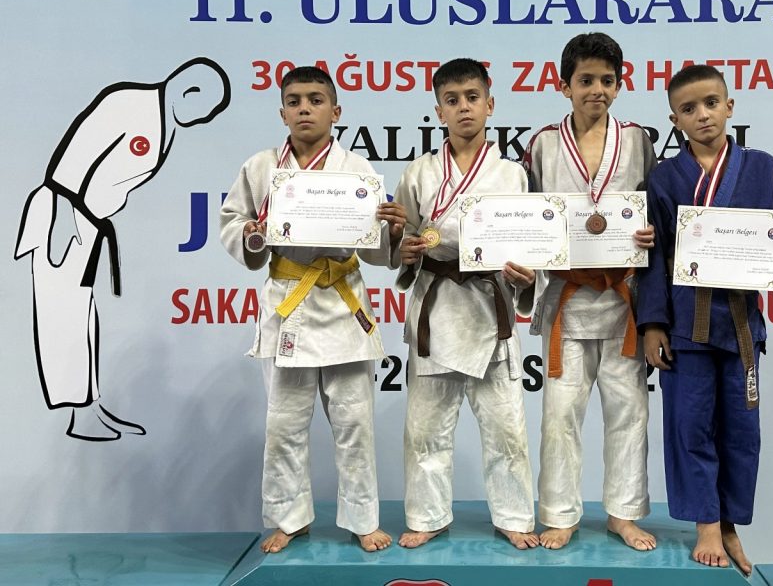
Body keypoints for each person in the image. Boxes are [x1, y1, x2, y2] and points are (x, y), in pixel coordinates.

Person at [220, 66, 406, 554]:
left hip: (343, 302)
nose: (305, 109)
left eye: (316, 100)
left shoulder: (357, 170)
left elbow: (375, 249)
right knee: (284, 423)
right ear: (282, 112)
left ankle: (363, 519)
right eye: (295, 101)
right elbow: (232, 220)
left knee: (354, 424)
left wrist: (389, 231)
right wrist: (251, 234)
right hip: (289, 302)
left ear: (335, 111)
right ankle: (290, 518)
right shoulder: (261, 167)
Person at [638, 64, 773, 575]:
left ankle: (730, 521)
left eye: (711, 103)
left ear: (730, 106)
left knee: (741, 428)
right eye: (688, 109)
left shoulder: (762, 167)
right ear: (674, 120)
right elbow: (653, 257)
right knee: (690, 425)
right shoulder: (663, 178)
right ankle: (707, 524)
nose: (703, 115)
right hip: (684, 324)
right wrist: (652, 323)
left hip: (739, 325)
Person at [15, 57, 229, 441]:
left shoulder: (164, 123)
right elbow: (75, 155)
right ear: (187, 89)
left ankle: (90, 407)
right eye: (203, 110)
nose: (202, 119)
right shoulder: (126, 103)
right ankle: (78, 415)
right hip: (63, 214)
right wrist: (61, 217)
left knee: (83, 316)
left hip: (86, 221)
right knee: (62, 316)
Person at [392, 58, 539, 550]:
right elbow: (403, 237)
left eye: (472, 98)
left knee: (507, 428)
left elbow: (528, 243)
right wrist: (405, 249)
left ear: (490, 104)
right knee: (425, 428)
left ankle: (514, 516)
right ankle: (427, 515)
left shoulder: (513, 175)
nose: (463, 108)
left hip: (490, 307)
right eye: (452, 100)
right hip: (437, 309)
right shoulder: (418, 173)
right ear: (439, 111)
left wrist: (526, 276)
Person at [522, 33, 657, 551]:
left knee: (630, 410)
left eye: (606, 80)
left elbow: (657, 208)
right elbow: (529, 217)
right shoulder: (543, 144)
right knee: (560, 413)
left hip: (624, 297)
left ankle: (624, 513)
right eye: (585, 80)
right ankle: (560, 514)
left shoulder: (639, 141)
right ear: (565, 86)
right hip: (568, 297)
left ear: (619, 86)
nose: (596, 90)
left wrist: (653, 235)